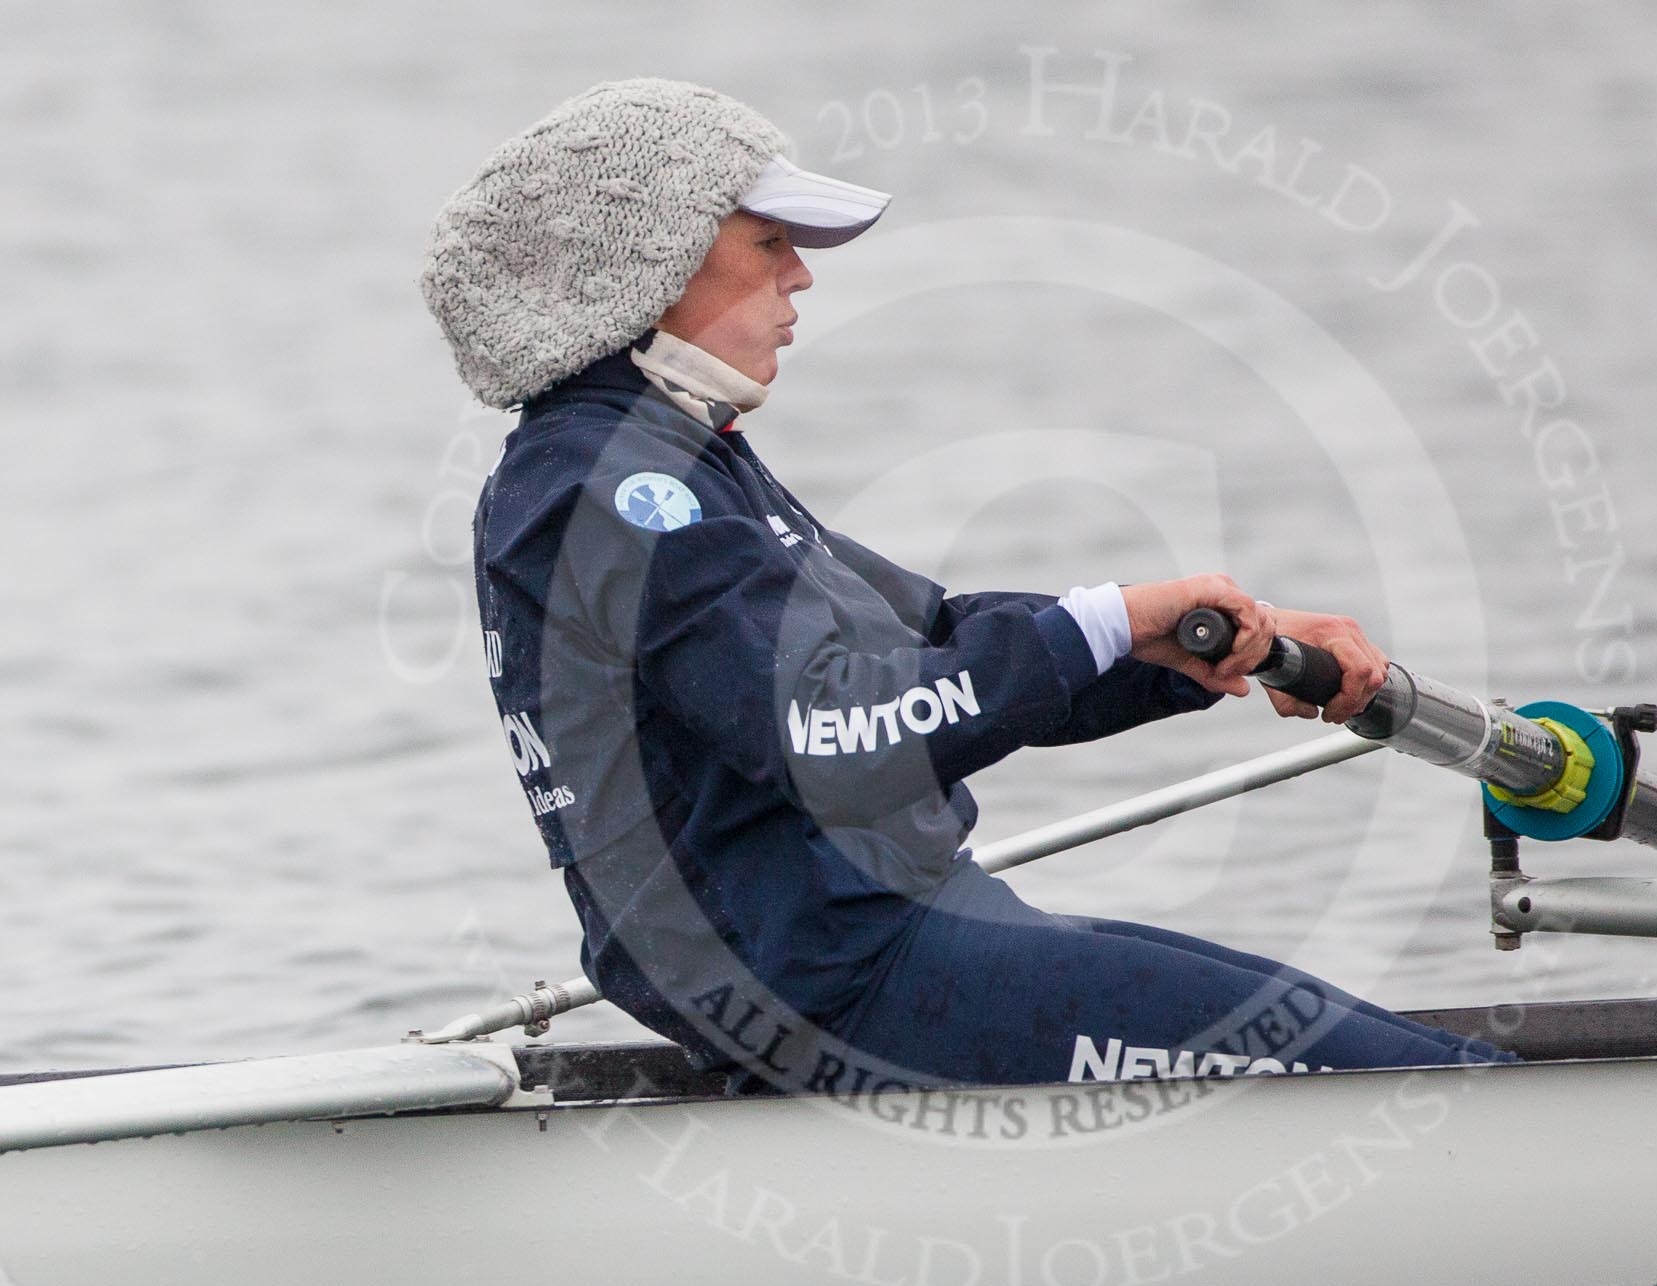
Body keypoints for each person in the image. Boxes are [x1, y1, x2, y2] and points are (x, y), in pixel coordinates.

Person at [421, 79, 1507, 1092]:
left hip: (883, 944)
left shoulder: (674, 459)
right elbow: (834, 734)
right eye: (769, 242)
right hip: (834, 980)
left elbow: (931, 635)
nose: (802, 272)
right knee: (1404, 1082)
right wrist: (1104, 621)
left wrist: (1172, 642)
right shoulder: (609, 488)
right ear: (642, 273)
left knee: (1333, 1028)